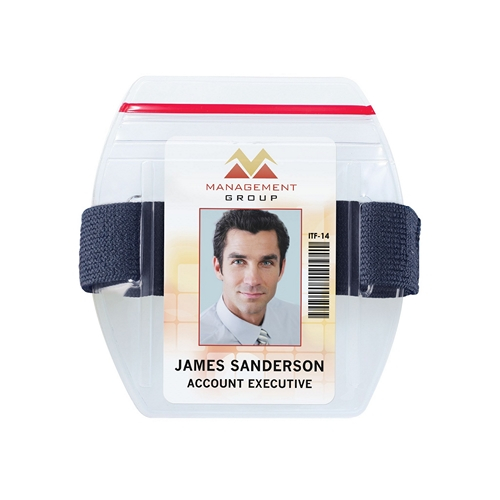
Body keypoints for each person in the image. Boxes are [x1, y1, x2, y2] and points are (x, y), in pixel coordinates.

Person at [200, 209, 300, 345]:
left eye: (266, 263)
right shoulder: (193, 342)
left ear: (281, 269)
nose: (253, 281)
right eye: (238, 262)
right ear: (218, 268)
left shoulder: (302, 324)